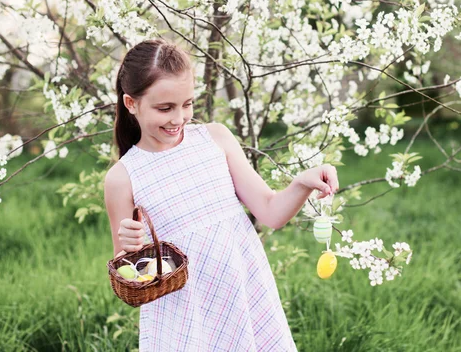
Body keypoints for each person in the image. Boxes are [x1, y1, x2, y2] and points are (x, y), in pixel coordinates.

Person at [103, 38, 340, 351]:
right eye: (165, 108)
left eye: (187, 104)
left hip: (241, 294)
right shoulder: (123, 177)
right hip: (182, 312)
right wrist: (130, 246)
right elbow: (128, 273)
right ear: (132, 104)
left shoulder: (215, 139)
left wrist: (302, 183)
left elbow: (270, 211)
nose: (178, 119)